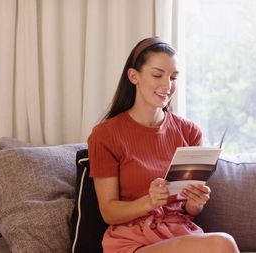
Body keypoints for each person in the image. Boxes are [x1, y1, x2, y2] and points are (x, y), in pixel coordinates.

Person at [88, 36, 240, 253]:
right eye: (158, 75)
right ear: (134, 76)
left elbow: (188, 209)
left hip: (179, 234)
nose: (167, 86)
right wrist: (149, 202)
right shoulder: (105, 135)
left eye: (174, 77)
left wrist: (195, 204)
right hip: (133, 240)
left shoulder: (189, 132)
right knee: (221, 244)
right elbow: (109, 211)